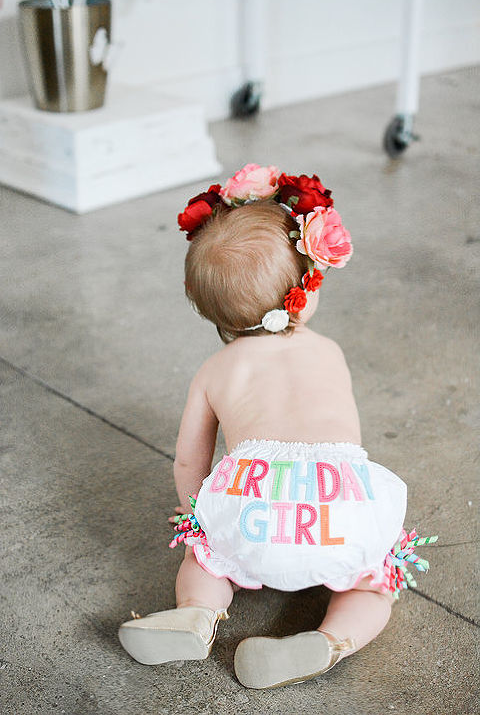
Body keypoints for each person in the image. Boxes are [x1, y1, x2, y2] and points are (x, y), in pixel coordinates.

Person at [118, 164, 436, 689]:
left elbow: (190, 459)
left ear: (213, 313)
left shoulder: (216, 369)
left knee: (209, 560)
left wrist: (204, 522)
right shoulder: (328, 352)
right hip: (341, 513)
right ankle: (332, 640)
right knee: (375, 581)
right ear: (304, 292)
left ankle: (197, 614)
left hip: (250, 512)